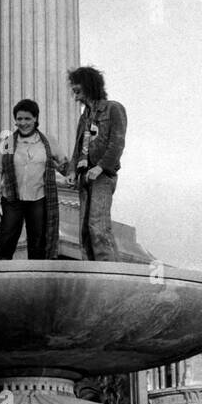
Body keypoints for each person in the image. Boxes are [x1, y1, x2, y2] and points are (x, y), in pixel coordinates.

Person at [0, 99, 68, 260]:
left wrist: (74, 174)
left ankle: (37, 280)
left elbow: (65, 165)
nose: (23, 123)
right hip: (12, 199)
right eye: (19, 119)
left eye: (27, 119)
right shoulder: (8, 143)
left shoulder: (47, 142)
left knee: (38, 244)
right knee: (5, 241)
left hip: (38, 199)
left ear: (36, 119)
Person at [68, 66, 126, 261]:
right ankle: (91, 269)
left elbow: (117, 143)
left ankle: (111, 272)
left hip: (102, 175)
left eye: (77, 91)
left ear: (89, 87)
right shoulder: (84, 118)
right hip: (84, 176)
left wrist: (100, 167)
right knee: (85, 230)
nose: (75, 98)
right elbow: (77, 148)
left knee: (98, 225)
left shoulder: (114, 108)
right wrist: (71, 171)